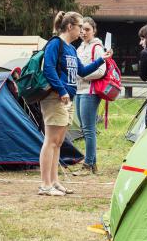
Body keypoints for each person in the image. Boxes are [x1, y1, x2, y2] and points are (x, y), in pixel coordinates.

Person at [38, 11, 111, 196]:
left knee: (59, 142)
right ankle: (45, 185)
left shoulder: (71, 49)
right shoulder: (55, 44)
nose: (81, 31)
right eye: (79, 26)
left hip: (67, 98)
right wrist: (61, 90)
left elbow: (82, 70)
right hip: (55, 97)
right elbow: (48, 68)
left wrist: (101, 60)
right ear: (70, 27)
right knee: (51, 141)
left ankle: (54, 182)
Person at [73, 17, 106, 175]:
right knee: (84, 128)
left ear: (94, 30)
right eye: (82, 29)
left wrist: (83, 76)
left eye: (87, 29)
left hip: (90, 92)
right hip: (79, 91)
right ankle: (91, 163)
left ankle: (88, 164)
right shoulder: (80, 48)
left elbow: (101, 71)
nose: (84, 32)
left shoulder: (97, 47)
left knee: (88, 129)